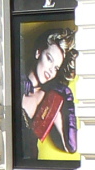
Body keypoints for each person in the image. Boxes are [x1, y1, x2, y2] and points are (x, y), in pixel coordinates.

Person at [19, 26, 78, 160]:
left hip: (29, 168)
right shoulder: (12, 83)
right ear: (38, 53)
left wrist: (67, 103)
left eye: (56, 67)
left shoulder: (50, 99)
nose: (51, 70)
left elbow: (71, 146)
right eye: (49, 59)